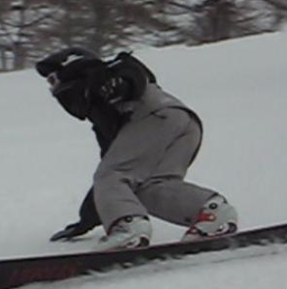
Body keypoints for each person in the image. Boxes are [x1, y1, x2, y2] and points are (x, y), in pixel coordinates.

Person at [35, 47, 238, 251]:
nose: (53, 90)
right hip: (185, 125)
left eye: (53, 80)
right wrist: (87, 220)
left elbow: (132, 74)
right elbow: (110, 172)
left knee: (114, 175)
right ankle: (212, 213)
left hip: (155, 118)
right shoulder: (103, 115)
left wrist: (115, 83)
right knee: (148, 186)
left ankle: (128, 229)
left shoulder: (105, 76)